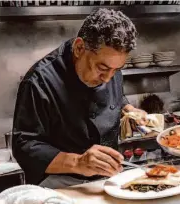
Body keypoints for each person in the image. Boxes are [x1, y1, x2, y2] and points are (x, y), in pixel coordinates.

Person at [12, 9, 146, 188]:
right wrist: (78, 162)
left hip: (108, 179)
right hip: (62, 185)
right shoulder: (39, 81)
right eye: (102, 68)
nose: (108, 78)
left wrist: (128, 110)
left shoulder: (110, 66)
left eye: (116, 70)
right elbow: (24, 146)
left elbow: (116, 97)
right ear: (79, 48)